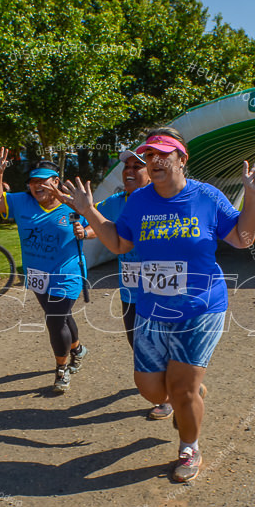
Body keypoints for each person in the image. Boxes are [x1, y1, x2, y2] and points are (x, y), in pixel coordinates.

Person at [59, 127, 255, 483]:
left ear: (182, 159)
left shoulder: (207, 197)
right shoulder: (140, 200)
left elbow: (243, 238)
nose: (154, 161)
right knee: (152, 389)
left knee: (182, 393)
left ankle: (190, 446)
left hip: (200, 308)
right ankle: (191, 390)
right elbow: (119, 243)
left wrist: (251, 196)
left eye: (162, 154)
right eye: (149, 155)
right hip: (152, 308)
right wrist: (88, 209)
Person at [0, 152, 93, 393]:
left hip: (68, 273)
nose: (38, 185)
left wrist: (84, 233)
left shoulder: (73, 203)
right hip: (37, 274)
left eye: (44, 180)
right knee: (61, 317)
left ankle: (61, 369)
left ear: (56, 181)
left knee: (55, 320)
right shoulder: (22, 202)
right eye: (34, 181)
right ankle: (77, 349)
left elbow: (98, 226)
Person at [93, 150, 172, 420]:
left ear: (150, 171)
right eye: (126, 166)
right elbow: (97, 223)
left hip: (161, 290)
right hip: (130, 290)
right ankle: (163, 386)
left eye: (136, 166)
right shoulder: (116, 202)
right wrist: (83, 228)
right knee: (137, 343)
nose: (129, 171)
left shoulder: (163, 200)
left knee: (162, 345)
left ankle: (170, 395)